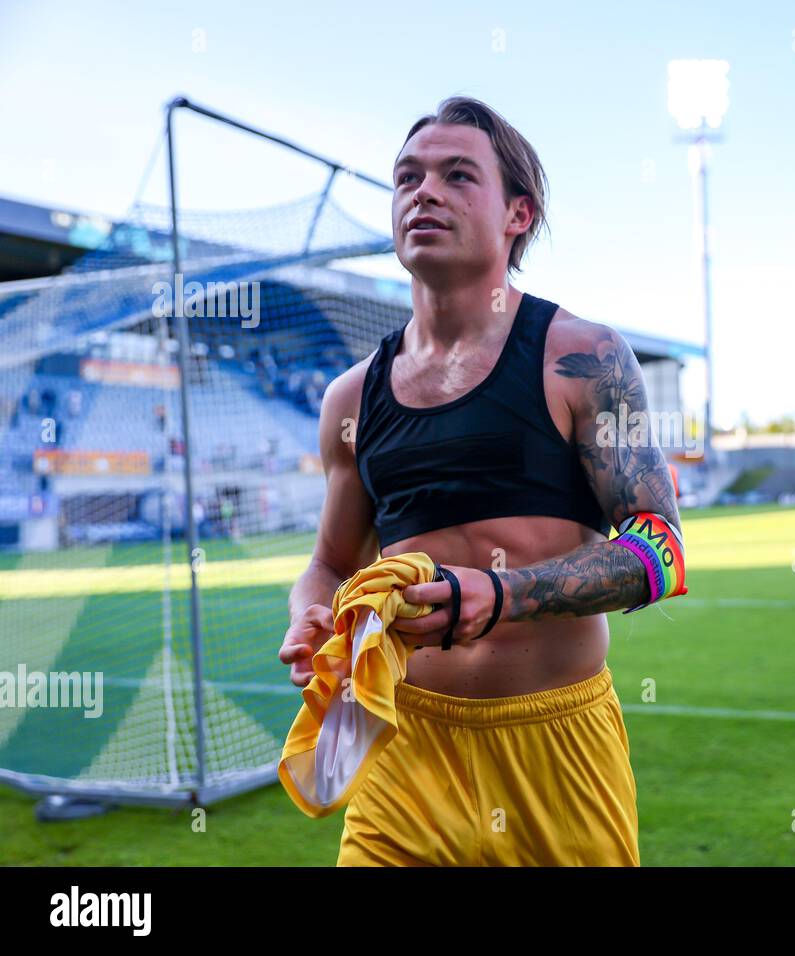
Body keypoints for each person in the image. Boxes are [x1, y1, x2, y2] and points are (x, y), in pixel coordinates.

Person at [278, 97, 686, 867]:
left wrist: (498, 596)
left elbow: (660, 551)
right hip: (402, 743)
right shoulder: (349, 398)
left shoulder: (584, 356)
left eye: (457, 175)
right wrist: (311, 615)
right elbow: (331, 565)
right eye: (407, 177)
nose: (422, 192)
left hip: (555, 749)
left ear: (517, 214)